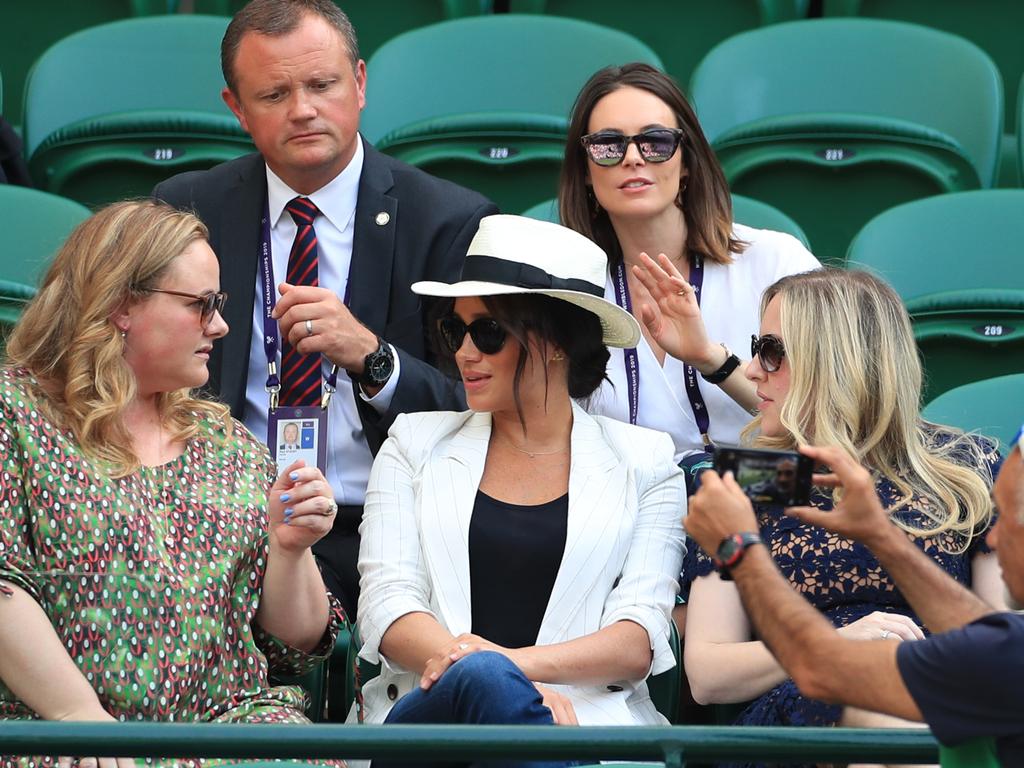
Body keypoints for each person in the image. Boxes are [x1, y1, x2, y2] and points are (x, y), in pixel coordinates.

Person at [154, 0, 497, 620]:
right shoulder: (187, 210)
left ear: (359, 83)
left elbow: (478, 407)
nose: (303, 109)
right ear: (236, 108)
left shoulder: (446, 219)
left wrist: (373, 358)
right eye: (274, 94)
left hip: (390, 519)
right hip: (228, 519)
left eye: (321, 84)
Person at [0, 201, 345, 768]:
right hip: (56, 736)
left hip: (224, 733)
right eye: (200, 305)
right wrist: (77, 718)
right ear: (118, 305)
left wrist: (290, 550)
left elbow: (297, 645)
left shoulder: (226, 441)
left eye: (221, 304)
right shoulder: (16, 414)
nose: (221, 325)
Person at [355, 215, 686, 753]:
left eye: (487, 332)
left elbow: (637, 636)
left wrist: (508, 678)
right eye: (454, 330)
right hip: (429, 716)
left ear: (555, 341)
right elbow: (387, 606)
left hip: (581, 719)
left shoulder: (646, 461)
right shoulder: (412, 443)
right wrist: (496, 682)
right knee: (489, 687)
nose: (465, 353)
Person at [681, 269, 1004, 767]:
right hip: (799, 720)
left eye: (771, 349)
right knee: (886, 711)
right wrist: (837, 644)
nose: (750, 369)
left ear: (833, 361)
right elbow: (706, 673)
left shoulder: (960, 466)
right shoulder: (755, 477)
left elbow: (997, 637)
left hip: (935, 696)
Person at [686, 430, 1024, 766]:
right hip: (830, 709)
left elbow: (822, 668)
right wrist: (880, 535)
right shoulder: (1005, 648)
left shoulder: (961, 459)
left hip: (896, 690)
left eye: (1008, 520)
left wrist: (740, 551)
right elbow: (987, 638)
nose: (991, 539)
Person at [559, 62, 820, 464]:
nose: (632, 157)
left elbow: (827, 418)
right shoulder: (566, 287)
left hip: (766, 495)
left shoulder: (775, 261)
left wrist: (710, 359)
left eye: (656, 141)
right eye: (608, 144)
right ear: (586, 173)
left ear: (686, 164)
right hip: (628, 508)